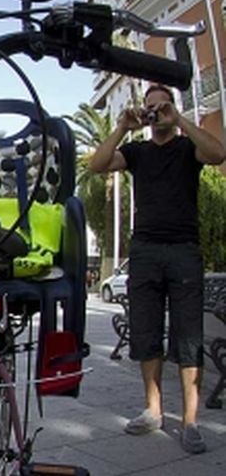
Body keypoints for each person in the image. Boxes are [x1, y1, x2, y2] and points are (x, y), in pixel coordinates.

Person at [89, 83, 226, 454]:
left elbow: (218, 153)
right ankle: (154, 410)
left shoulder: (187, 148)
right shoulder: (136, 152)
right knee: (146, 333)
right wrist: (121, 127)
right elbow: (98, 165)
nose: (157, 112)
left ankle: (191, 421)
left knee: (188, 337)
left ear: (171, 109)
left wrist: (180, 119)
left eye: (162, 106)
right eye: (151, 107)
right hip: (145, 250)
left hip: (184, 250)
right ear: (144, 114)